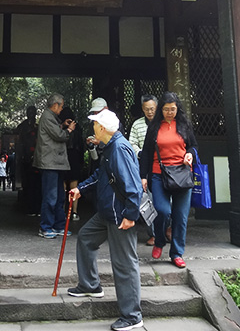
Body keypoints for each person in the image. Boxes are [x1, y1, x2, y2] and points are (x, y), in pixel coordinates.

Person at [68, 109, 144, 331]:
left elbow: (133, 187)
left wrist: (131, 216)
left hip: (120, 216)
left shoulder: (119, 149)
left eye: (94, 125)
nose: (93, 128)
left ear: (102, 128)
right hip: (106, 213)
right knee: (85, 238)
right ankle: (90, 285)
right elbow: (101, 176)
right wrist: (80, 189)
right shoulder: (109, 147)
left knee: (124, 264)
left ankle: (132, 317)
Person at [139, 91, 198, 269]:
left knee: (180, 216)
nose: (170, 113)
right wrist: (143, 176)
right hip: (159, 174)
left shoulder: (185, 125)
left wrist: (190, 154)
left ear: (177, 109)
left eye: (173, 109)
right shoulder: (155, 127)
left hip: (182, 174)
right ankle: (159, 240)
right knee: (162, 210)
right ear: (160, 110)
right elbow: (147, 153)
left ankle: (176, 253)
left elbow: (194, 146)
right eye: (166, 109)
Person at [33, 93, 76, 239]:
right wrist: (68, 130)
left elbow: (55, 130)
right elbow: (59, 135)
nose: (62, 109)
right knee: (50, 196)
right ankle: (45, 227)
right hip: (50, 163)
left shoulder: (50, 117)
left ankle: (58, 225)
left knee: (59, 196)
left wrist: (62, 125)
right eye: (61, 106)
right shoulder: (46, 116)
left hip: (56, 163)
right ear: (55, 105)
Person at [128, 95, 158, 246]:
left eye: (152, 108)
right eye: (147, 109)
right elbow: (131, 143)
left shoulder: (163, 123)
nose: (150, 112)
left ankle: (167, 229)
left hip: (162, 167)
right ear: (142, 109)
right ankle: (152, 233)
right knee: (147, 202)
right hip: (144, 167)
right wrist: (140, 153)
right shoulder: (137, 124)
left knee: (167, 202)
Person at [60, 106, 84, 221]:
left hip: (63, 157)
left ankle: (62, 211)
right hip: (75, 158)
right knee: (74, 187)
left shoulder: (62, 127)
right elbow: (81, 145)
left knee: (63, 186)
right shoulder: (77, 127)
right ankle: (74, 212)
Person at [16, 106, 40, 215]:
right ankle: (28, 206)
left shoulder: (39, 125)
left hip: (37, 157)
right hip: (25, 158)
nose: (31, 114)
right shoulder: (23, 126)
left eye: (32, 112)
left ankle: (36, 206)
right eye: (29, 112)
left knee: (37, 184)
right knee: (27, 183)